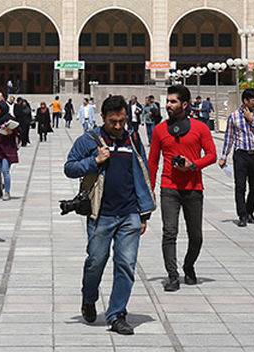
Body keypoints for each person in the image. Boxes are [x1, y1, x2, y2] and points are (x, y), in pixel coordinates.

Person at [65, 95, 155, 336]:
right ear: (102, 117)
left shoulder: (132, 138)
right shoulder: (89, 140)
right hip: (101, 215)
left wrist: (144, 213)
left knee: (125, 264)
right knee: (96, 261)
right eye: (113, 121)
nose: (118, 126)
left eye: (122, 121)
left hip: (129, 213)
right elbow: (69, 167)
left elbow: (142, 173)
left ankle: (116, 314)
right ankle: (89, 298)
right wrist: (95, 160)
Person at [147, 84, 216, 292]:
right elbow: (152, 162)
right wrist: (150, 190)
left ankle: (188, 265)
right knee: (169, 232)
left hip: (194, 188)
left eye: (173, 101)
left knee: (196, 236)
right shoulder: (159, 130)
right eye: (167, 101)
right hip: (169, 188)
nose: (168, 105)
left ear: (185, 104)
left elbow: (212, 155)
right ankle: (172, 276)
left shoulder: (200, 128)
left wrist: (193, 165)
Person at [219, 87, 254, 227]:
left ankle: (250, 211)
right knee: (240, 186)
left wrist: (252, 120)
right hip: (241, 155)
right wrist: (224, 156)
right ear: (245, 101)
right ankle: (242, 215)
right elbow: (229, 137)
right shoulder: (234, 116)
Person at [0, 101, 19, 200]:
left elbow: (17, 131)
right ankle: (1, 186)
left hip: (7, 148)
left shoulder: (9, 119)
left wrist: (10, 131)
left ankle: (7, 192)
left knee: (5, 170)